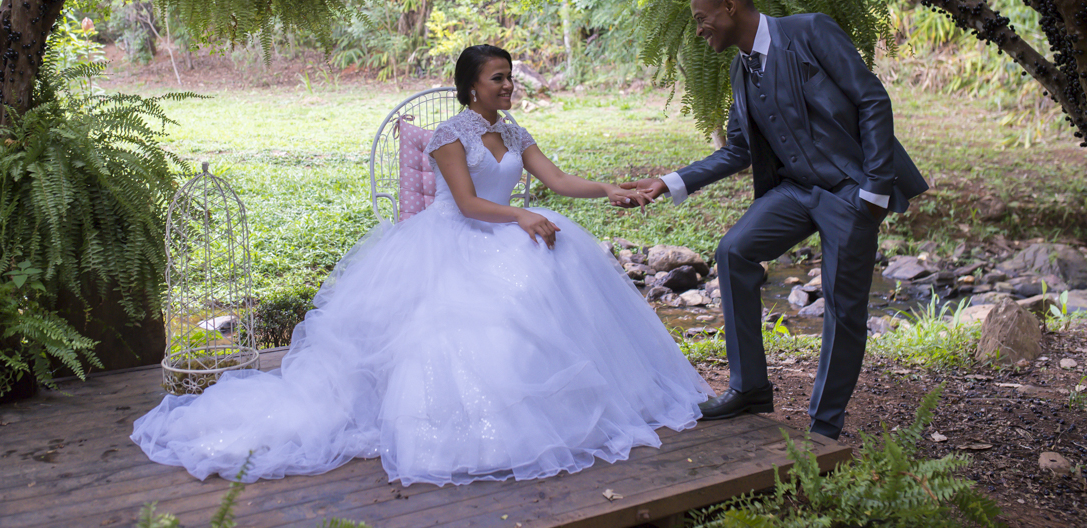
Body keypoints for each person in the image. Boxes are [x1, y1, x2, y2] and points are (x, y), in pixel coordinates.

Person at [132, 44, 713, 486]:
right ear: (471, 89)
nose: (509, 85)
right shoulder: (447, 136)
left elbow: (556, 180)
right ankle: (471, 429)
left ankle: (577, 403)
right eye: (498, 78)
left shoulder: (513, 130)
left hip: (505, 230)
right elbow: (466, 204)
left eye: (510, 76)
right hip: (456, 237)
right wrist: (521, 217)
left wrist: (611, 189)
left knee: (556, 275)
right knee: (473, 317)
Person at [622, 0, 927, 439]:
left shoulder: (809, 31)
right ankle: (749, 389)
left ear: (729, 7)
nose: (699, 29)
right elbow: (738, 150)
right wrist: (669, 182)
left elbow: (871, 99)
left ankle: (824, 427)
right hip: (794, 190)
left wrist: (874, 190)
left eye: (702, 19)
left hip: (851, 190)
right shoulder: (739, 69)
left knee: (843, 308)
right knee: (734, 251)